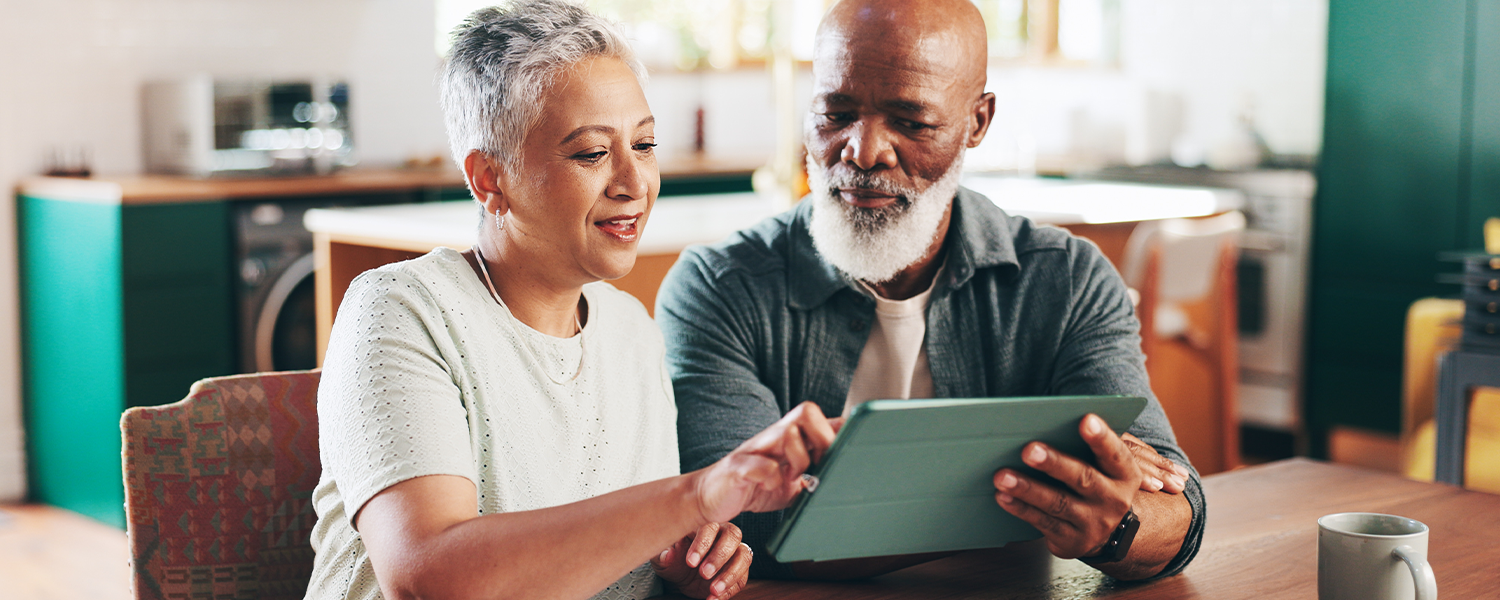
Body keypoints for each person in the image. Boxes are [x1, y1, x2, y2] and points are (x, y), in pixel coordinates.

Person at [656, 0, 1203, 583]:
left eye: (912, 122)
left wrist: (1116, 524)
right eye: (835, 113)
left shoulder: (1067, 279)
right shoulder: (717, 286)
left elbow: (1170, 497)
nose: (863, 152)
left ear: (977, 122)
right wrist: (1027, 497)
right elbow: (730, 520)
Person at [305, 3, 836, 600]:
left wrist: (681, 560)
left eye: (644, 144)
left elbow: (620, 552)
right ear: (490, 178)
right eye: (590, 153)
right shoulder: (401, 311)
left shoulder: (631, 331)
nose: (633, 183)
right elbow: (431, 578)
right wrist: (695, 497)